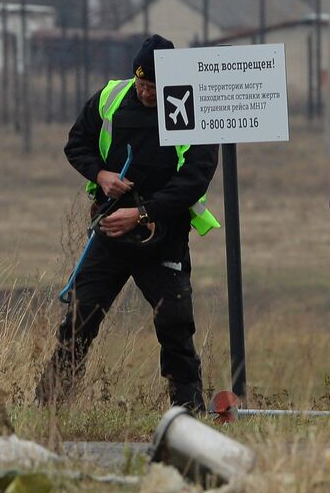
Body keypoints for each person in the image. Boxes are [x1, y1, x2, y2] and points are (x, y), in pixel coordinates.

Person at [37, 34, 220, 413]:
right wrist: (101, 174)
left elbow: (195, 178)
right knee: (80, 318)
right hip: (108, 231)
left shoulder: (189, 104)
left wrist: (143, 213)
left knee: (175, 324)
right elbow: (76, 144)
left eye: (155, 86)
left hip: (162, 235)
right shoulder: (110, 97)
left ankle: (188, 409)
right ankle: (49, 405)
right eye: (142, 83)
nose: (147, 93)